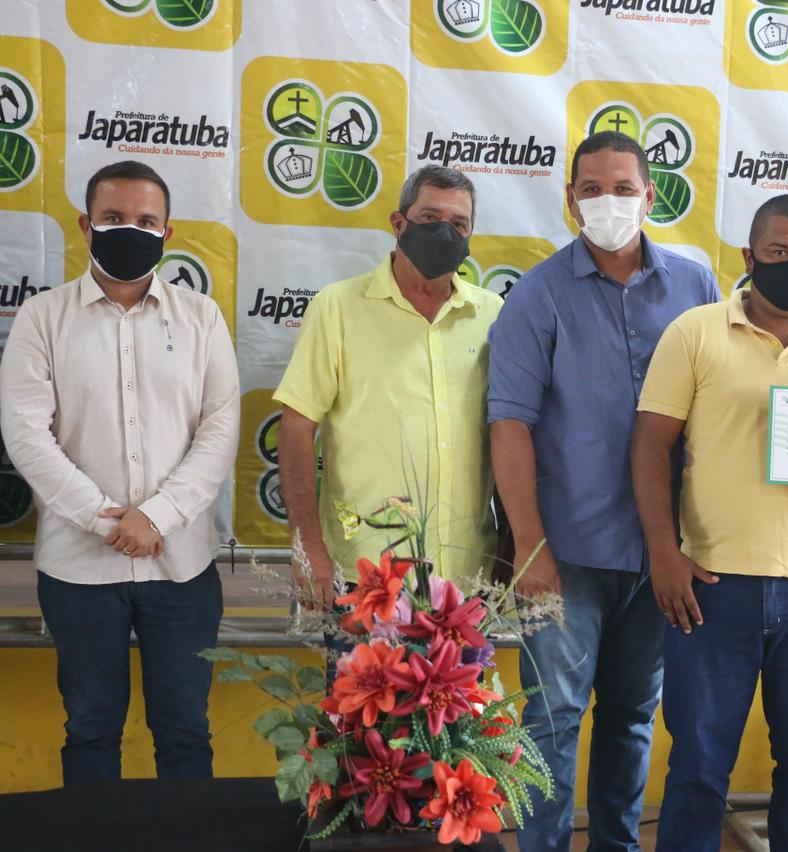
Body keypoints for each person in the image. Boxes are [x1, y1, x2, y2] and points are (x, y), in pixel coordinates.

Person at [487, 130, 720, 851]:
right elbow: (510, 426)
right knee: (550, 722)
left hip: (663, 557)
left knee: (631, 718)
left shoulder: (696, 288)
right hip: (568, 553)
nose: (608, 202)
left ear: (650, 197)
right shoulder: (538, 295)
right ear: (570, 200)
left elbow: (718, 412)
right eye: (592, 189)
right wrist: (530, 547)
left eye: (623, 188)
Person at [632, 194, 788, 852]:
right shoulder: (695, 332)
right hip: (712, 585)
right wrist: (663, 552)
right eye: (779, 252)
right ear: (749, 257)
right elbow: (650, 447)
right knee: (698, 765)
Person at [0, 160, 239, 784]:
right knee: (90, 728)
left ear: (167, 232)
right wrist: (107, 521)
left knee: (185, 730)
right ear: (86, 226)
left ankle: (184, 834)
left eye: (145, 220)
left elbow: (219, 429)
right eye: (113, 217)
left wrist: (157, 516)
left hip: (182, 566)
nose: (129, 229)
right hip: (79, 568)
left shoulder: (202, 318)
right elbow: (26, 434)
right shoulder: (42, 318)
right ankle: (93, 833)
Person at [274, 166, 501, 608]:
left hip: (467, 575)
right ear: (399, 223)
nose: (445, 231)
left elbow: (510, 432)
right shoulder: (338, 308)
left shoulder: (492, 316)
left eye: (459, 224)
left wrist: (512, 540)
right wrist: (307, 546)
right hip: (365, 576)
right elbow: (297, 427)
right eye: (430, 217)